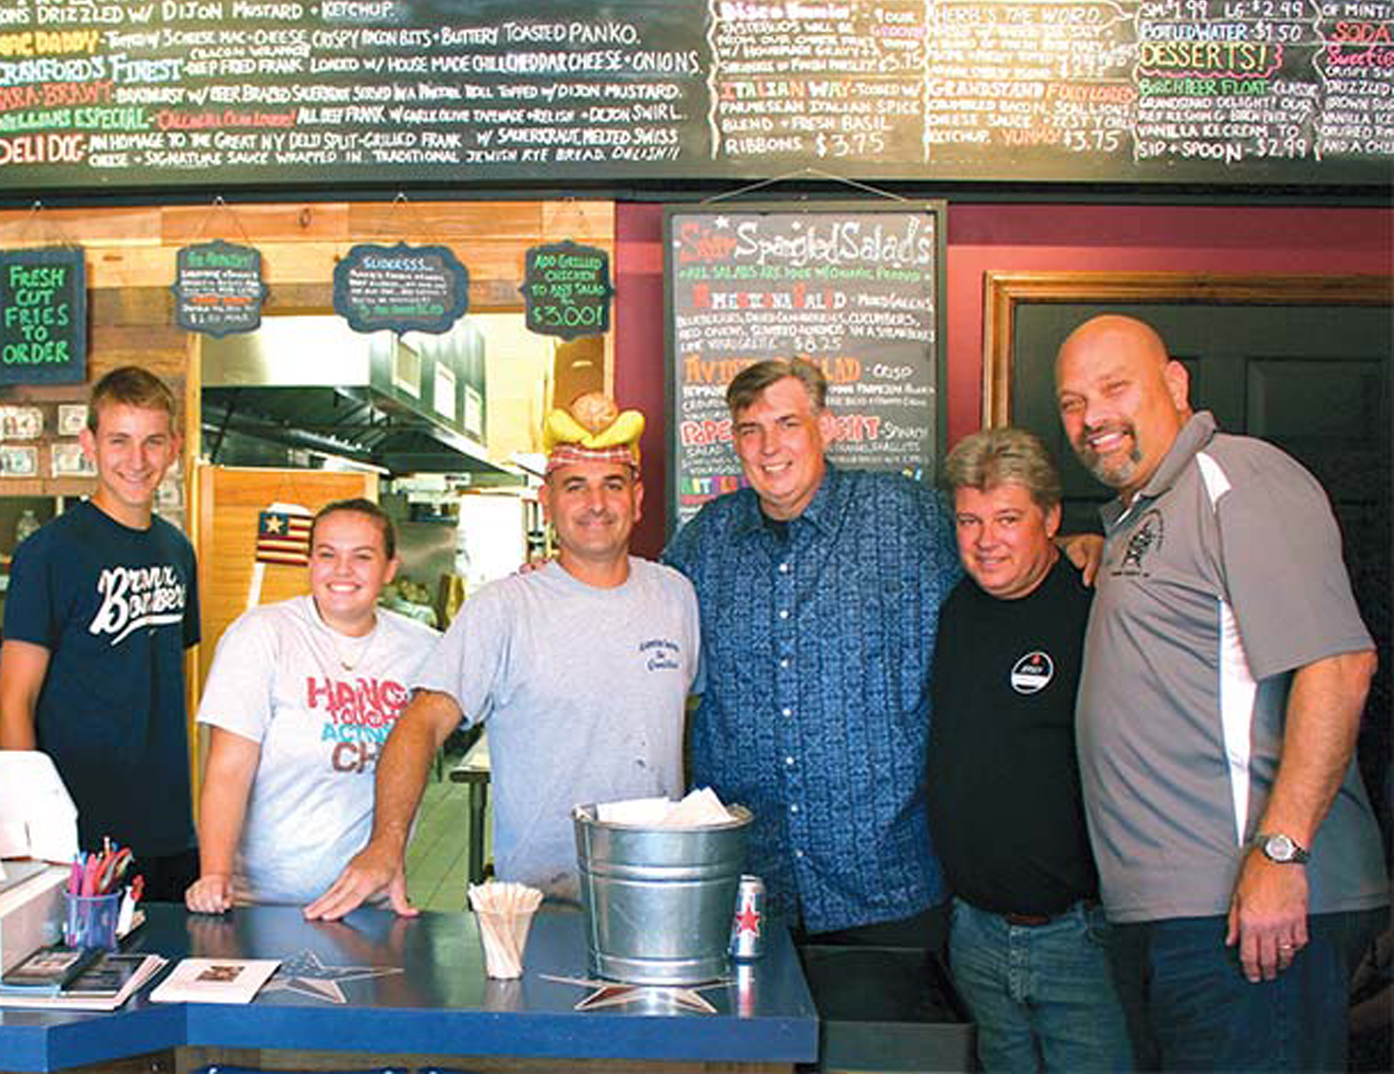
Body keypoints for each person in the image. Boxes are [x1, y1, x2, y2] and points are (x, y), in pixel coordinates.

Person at [1055, 313, 1388, 1070]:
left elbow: (1338, 664)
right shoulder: (1148, 511)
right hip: (1180, 915)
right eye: (1073, 401)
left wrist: (1279, 853)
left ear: (1175, 383)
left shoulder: (1240, 478)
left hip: (1248, 912)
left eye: (1114, 387)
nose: (1092, 416)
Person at [304, 395, 698, 918]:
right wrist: (386, 843)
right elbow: (419, 724)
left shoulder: (676, 596)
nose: (596, 504)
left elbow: (690, 720)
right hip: (543, 904)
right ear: (547, 501)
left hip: (658, 893)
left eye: (613, 485)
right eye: (574, 486)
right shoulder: (503, 608)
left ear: (639, 498)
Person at [663, 356, 963, 945]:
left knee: (887, 1040)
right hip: (753, 890)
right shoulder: (707, 539)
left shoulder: (906, 519)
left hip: (887, 883)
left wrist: (1078, 552)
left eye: (787, 423)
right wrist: (564, 579)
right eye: (751, 430)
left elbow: (999, 564)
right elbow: (633, 612)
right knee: (759, 1040)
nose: (769, 446)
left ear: (826, 425)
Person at [925, 427, 1131, 1072]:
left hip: (1079, 938)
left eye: (1008, 518)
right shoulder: (955, 609)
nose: (986, 540)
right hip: (975, 934)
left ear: (1051, 517)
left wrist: (1098, 548)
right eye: (969, 520)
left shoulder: (1098, 604)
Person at [0, 366, 200, 901]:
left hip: (169, 828)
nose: (137, 461)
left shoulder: (178, 552)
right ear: (89, 444)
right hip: (81, 835)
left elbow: (167, 681)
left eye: (153, 442)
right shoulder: (49, 553)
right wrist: (29, 830)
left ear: (174, 446)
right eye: (119, 441)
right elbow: (14, 701)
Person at [184, 499, 438, 913]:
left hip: (369, 904)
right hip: (261, 905)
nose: (342, 571)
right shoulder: (262, 635)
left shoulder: (424, 649)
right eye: (327, 555)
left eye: (362, 557)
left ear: (390, 568)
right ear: (309, 562)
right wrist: (214, 873)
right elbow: (228, 769)